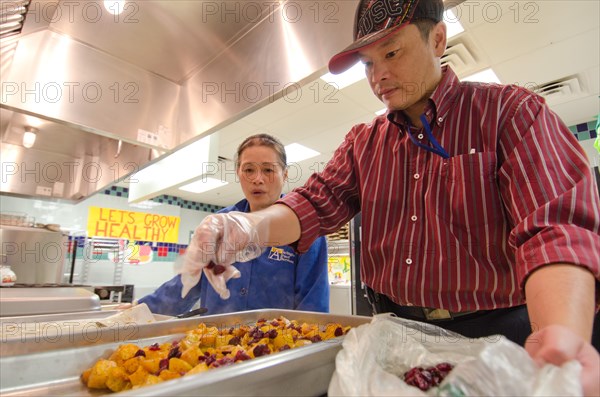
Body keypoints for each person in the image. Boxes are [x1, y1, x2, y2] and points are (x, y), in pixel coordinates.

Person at [182, 1, 599, 395]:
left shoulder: (510, 113)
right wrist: (245, 225)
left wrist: (562, 332)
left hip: (495, 336)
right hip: (393, 333)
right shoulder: (365, 143)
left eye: (392, 53)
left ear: (437, 39)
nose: (377, 76)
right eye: (367, 64)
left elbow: (552, 231)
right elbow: (315, 202)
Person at [138, 134, 329, 316]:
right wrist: (139, 311)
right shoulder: (219, 224)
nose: (257, 179)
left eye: (268, 170)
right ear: (238, 173)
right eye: (248, 170)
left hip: (277, 345)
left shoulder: (304, 227)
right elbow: (186, 283)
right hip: (215, 343)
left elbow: (313, 304)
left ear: (285, 175)